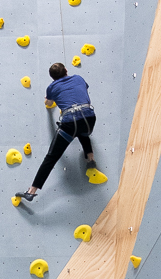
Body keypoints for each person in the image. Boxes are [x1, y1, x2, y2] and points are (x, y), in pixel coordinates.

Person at [15, 63, 101, 203]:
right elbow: (83, 90)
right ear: (66, 70)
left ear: (52, 78)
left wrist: (49, 99)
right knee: (83, 134)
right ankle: (90, 160)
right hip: (89, 118)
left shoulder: (52, 87)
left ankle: (31, 192)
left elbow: (49, 104)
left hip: (69, 123)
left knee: (51, 157)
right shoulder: (79, 78)